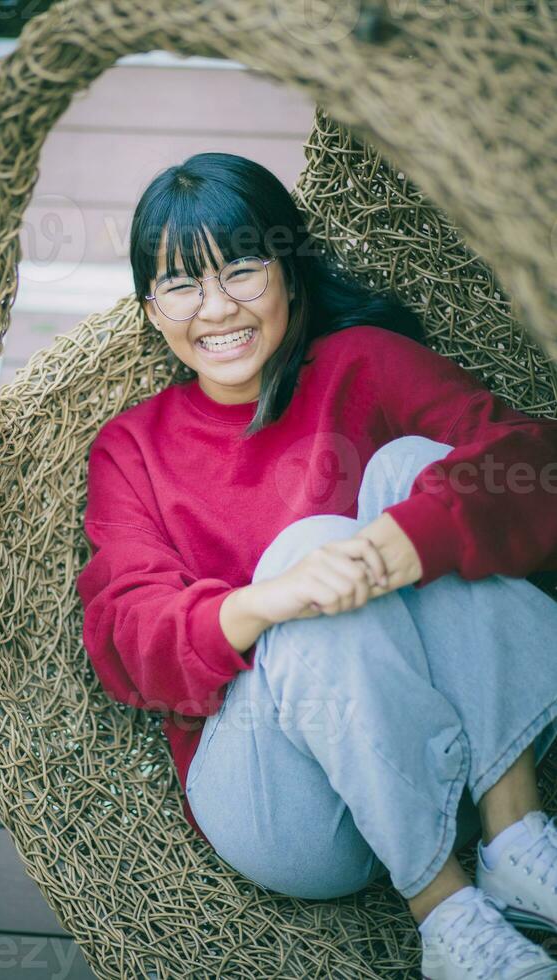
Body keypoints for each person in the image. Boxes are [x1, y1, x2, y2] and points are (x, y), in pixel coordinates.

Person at [76, 152, 557, 979]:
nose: (216, 308)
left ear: (290, 274)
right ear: (152, 311)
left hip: (445, 758)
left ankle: (516, 838)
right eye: (182, 286)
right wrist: (269, 601)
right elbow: (127, 638)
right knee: (303, 559)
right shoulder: (133, 447)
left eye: (242, 270)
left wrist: (413, 538)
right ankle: (444, 914)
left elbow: (534, 465)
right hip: (286, 806)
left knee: (412, 469)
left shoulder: (363, 363)